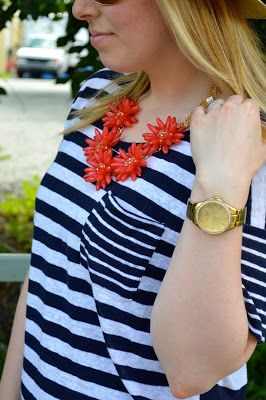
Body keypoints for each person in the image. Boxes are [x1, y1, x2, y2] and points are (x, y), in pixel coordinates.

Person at [0, 0, 266, 399]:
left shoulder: (251, 145)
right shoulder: (97, 95)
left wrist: (219, 187)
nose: (80, 9)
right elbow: (48, 265)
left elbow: (192, 372)